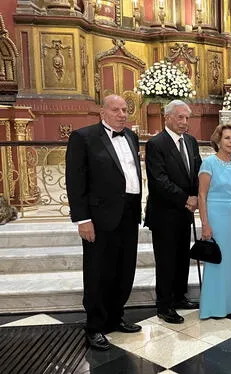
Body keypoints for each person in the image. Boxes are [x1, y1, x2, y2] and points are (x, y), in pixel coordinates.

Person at [65, 94, 142, 350]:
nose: (122, 114)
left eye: (124, 110)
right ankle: (95, 326)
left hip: (129, 214)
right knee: (98, 272)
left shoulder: (131, 136)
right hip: (98, 218)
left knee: (124, 268)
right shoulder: (83, 137)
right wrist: (82, 219)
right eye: (116, 110)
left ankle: (116, 316)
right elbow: (75, 181)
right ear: (102, 112)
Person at [145, 100, 202, 324]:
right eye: (180, 117)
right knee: (166, 260)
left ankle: (179, 296)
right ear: (167, 117)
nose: (184, 123)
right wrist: (185, 199)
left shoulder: (190, 141)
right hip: (164, 213)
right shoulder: (156, 144)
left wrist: (197, 196)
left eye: (187, 118)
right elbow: (159, 180)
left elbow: (197, 170)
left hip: (184, 212)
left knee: (181, 257)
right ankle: (164, 305)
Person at [197, 125, 231, 318]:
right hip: (216, 216)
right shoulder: (209, 163)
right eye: (227, 138)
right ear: (218, 140)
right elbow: (202, 196)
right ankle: (216, 306)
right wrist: (205, 223)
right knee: (218, 260)